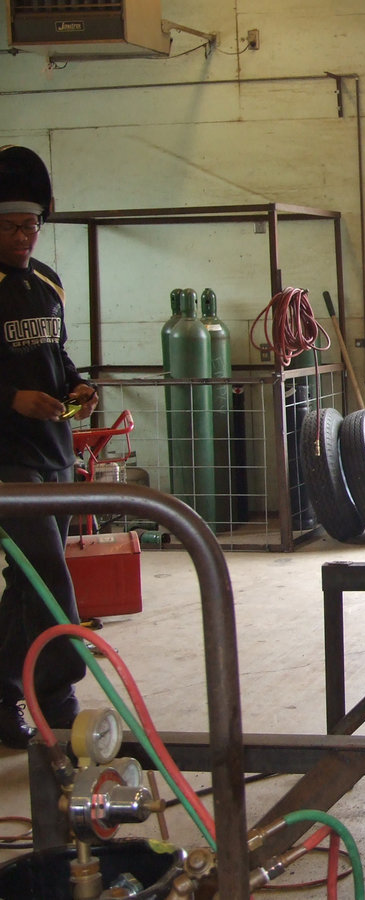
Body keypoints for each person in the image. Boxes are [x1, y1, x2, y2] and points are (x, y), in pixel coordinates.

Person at [0, 145, 97, 750]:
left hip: (54, 449)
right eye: (9, 226)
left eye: (30, 225)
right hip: (7, 458)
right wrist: (11, 399)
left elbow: (54, 354)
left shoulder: (48, 282)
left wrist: (76, 384)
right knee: (49, 578)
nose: (21, 237)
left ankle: (2, 691)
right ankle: (58, 695)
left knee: (24, 585)